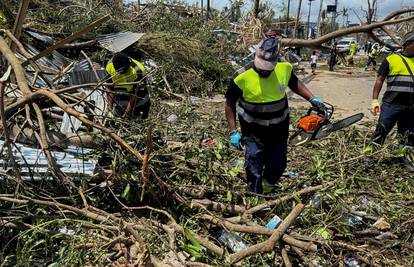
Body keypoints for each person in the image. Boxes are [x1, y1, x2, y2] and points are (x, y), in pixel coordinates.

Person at [224, 37, 327, 193]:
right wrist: (233, 131)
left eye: (268, 68)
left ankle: (266, 186)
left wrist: (311, 98)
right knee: (254, 165)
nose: (264, 70)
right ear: (255, 57)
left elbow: (294, 83)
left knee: (278, 164)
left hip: (279, 130)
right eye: (261, 67)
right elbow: (229, 103)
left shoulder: (284, 69)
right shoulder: (241, 77)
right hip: (253, 132)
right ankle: (255, 195)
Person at [364, 31, 414, 161]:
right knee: (381, 130)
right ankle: (370, 155)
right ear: (407, 44)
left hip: (411, 106)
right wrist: (375, 100)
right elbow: (379, 80)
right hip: (391, 104)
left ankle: (405, 158)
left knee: (407, 135)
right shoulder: (391, 59)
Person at [105, 52, 150, 119]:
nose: (122, 72)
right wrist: (109, 109)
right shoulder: (109, 67)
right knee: (117, 118)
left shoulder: (138, 70)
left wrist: (126, 114)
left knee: (139, 119)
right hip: (121, 97)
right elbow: (109, 89)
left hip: (139, 99)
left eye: (125, 70)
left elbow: (137, 95)